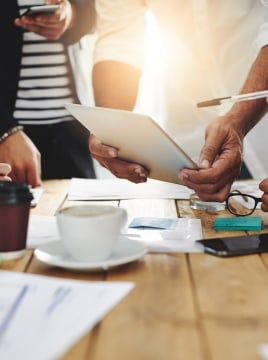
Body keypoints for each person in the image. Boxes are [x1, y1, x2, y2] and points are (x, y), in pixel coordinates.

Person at [89, 1, 268, 198]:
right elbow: (119, 37)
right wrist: (109, 124)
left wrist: (238, 120)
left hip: (261, 116)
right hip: (188, 136)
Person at [0, 0, 96, 187]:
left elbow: (96, 13)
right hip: (12, 133)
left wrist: (71, 16)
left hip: (72, 128)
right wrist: (4, 130)